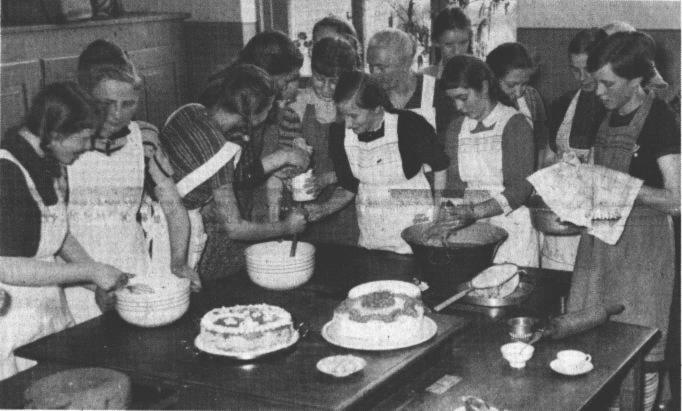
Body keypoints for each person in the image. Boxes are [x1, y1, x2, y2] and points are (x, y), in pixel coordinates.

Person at [567, 31, 679, 411]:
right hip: (600, 244)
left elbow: (677, 200)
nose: (597, 91)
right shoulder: (604, 109)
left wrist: (625, 186)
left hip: (642, 255)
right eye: (595, 80)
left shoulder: (661, 120)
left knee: (638, 352)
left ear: (636, 81)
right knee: (594, 352)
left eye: (607, 83)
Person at [0, 82, 128, 379]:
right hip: (9, 321)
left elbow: (56, 235)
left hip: (44, 313)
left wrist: (98, 278)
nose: (86, 147)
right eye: (83, 139)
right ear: (55, 133)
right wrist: (89, 272)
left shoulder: (48, 160)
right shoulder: (5, 173)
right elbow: (4, 266)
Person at [65, 40, 196, 324]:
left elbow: (173, 206)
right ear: (85, 96)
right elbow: (56, 230)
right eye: (106, 104)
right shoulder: (65, 143)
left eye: (128, 104)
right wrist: (94, 279)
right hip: (76, 277)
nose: (117, 114)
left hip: (133, 268)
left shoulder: (144, 138)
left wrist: (178, 261)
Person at [161, 64, 309, 283]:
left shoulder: (190, 111)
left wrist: (284, 156)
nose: (273, 111)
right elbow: (236, 228)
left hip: (156, 217)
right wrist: (286, 227)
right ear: (256, 111)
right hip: (179, 234)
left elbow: (228, 174)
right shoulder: (220, 152)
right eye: (270, 107)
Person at [324, 71, 449, 256]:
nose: (348, 124)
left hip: (414, 227)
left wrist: (437, 211)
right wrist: (323, 209)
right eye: (344, 115)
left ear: (376, 108)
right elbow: (349, 185)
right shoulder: (339, 133)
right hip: (371, 233)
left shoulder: (409, 125)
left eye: (354, 116)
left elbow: (440, 165)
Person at [440, 55, 539, 267]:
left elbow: (520, 189)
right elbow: (455, 185)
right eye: (453, 99)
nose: (458, 106)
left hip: (512, 230)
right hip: (473, 231)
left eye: (463, 97)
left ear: (484, 87)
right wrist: (448, 213)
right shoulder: (456, 128)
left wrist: (475, 212)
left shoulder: (515, 124)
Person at [274, 36, 360, 245]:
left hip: (344, 202)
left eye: (335, 82)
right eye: (320, 79)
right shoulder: (298, 104)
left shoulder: (354, 107)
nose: (326, 89)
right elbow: (282, 155)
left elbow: (360, 164)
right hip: (302, 201)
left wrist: (328, 178)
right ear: (311, 70)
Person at [538, 28, 608, 272]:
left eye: (588, 69)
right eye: (574, 70)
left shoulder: (616, 109)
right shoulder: (562, 105)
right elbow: (547, 157)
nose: (581, 77)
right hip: (562, 223)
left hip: (601, 223)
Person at [486, 42, 549, 168]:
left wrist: (537, 174)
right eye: (510, 85)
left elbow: (541, 142)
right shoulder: (487, 104)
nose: (519, 92)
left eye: (524, 83)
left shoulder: (532, 96)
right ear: (493, 80)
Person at [423, 6, 473, 79]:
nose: (457, 52)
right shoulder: (428, 78)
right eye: (449, 45)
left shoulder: (480, 76)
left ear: (469, 39)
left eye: (463, 43)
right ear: (436, 42)